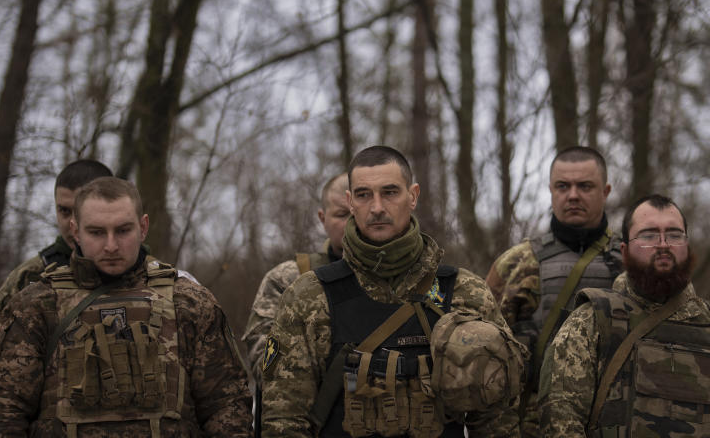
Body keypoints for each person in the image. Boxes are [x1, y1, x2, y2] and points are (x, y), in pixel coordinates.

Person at [261, 146, 522, 437]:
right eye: (363, 195)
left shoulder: (464, 292)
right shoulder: (309, 296)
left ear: (413, 196)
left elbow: (498, 420)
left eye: (390, 192)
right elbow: (283, 420)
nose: (376, 208)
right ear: (349, 202)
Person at [0, 177, 252, 437]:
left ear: (143, 227)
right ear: (75, 232)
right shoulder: (36, 306)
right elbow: (1, 409)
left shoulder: (189, 303)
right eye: (96, 232)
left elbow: (226, 406)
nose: (111, 245)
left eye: (123, 230)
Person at [538, 193, 710, 436]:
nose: (663, 245)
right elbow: (559, 424)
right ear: (625, 251)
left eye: (674, 234)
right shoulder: (591, 322)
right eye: (649, 235)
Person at [486, 146, 622, 434]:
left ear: (606, 190)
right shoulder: (516, 263)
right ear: (550, 190)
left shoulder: (631, 264)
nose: (573, 195)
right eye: (563, 186)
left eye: (585, 186)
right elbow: (487, 359)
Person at [0, 159, 113, 361]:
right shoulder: (32, 275)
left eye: (80, 210)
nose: (71, 222)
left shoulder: (144, 273)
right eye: (64, 211)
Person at [243, 172, 350, 381]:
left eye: (356, 214)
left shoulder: (402, 275)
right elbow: (263, 363)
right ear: (323, 218)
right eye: (341, 215)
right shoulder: (287, 278)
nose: (350, 224)